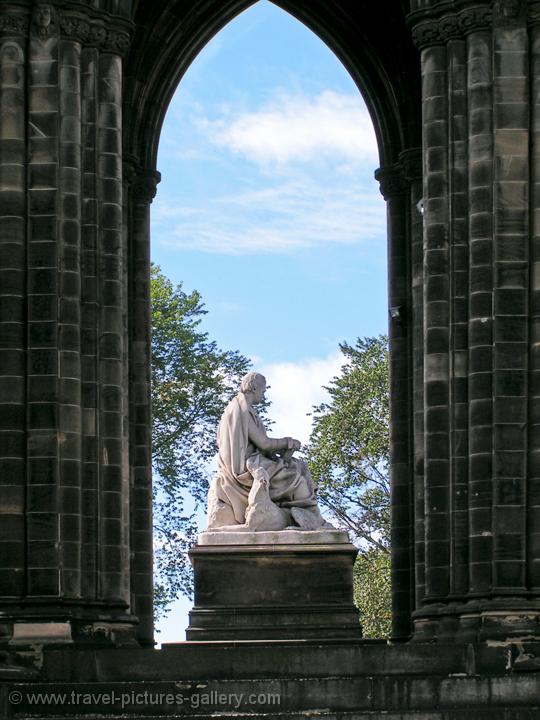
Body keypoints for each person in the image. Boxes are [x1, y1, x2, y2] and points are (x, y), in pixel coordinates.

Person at [207, 371, 330, 530]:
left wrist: (279, 451)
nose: (263, 396)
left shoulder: (240, 407)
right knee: (295, 476)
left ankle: (305, 516)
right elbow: (264, 443)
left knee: (298, 465)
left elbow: (258, 445)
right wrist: (288, 442)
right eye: (263, 391)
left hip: (251, 460)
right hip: (246, 468)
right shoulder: (242, 409)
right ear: (254, 388)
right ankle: (310, 519)